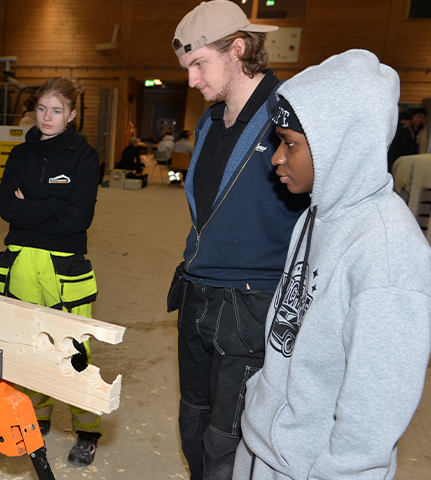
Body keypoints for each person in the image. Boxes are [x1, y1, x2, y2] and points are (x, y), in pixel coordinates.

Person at [234, 49, 431, 480]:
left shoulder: (389, 256)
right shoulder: (316, 214)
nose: (275, 157)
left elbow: (374, 409)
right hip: (269, 444)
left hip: (315, 466)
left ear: (340, 146)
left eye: (289, 144)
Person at [167, 1, 308, 478]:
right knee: (193, 422)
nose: (191, 80)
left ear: (238, 50)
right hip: (197, 293)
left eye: (199, 64)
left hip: (251, 303)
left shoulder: (289, 116)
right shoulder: (209, 122)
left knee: (229, 440)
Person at [0, 76, 103, 468]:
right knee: (30, 346)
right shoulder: (20, 156)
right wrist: (54, 201)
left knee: (74, 350)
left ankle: (87, 431)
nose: (47, 117)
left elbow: (79, 218)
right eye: (41, 109)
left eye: (56, 111)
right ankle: (36, 419)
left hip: (64, 264)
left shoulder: (85, 159)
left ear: (72, 115)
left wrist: (32, 203)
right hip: (21, 259)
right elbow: (8, 209)